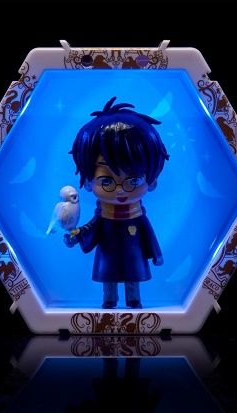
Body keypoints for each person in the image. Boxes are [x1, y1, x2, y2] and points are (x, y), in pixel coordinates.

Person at [64, 97, 169, 309]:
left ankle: (134, 300)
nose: (120, 190)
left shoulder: (138, 216)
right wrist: (77, 235)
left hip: (133, 253)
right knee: (109, 278)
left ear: (151, 181)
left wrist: (156, 254)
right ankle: (109, 300)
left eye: (133, 180)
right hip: (108, 252)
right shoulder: (104, 216)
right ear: (88, 181)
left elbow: (148, 233)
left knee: (133, 276)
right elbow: (93, 227)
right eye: (107, 180)